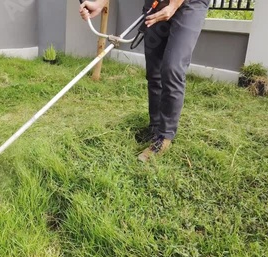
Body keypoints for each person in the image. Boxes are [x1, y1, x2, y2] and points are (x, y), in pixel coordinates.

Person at [79, 0, 209, 162]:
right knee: (154, 70)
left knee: (172, 68)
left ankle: (164, 136)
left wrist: (174, 5)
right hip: (156, 2)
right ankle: (155, 127)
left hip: (189, 5)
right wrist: (99, 4)